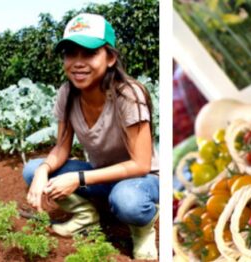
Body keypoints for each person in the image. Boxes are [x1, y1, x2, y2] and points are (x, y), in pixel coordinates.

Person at [21, 13, 159, 259]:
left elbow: (141, 164)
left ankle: (143, 227)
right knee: (32, 171)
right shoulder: (67, 93)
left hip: (142, 179)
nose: (77, 62)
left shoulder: (129, 95)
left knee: (127, 199)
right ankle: (86, 215)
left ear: (110, 58)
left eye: (89, 53)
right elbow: (62, 148)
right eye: (70, 53)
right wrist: (43, 171)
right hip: (101, 177)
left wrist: (79, 178)